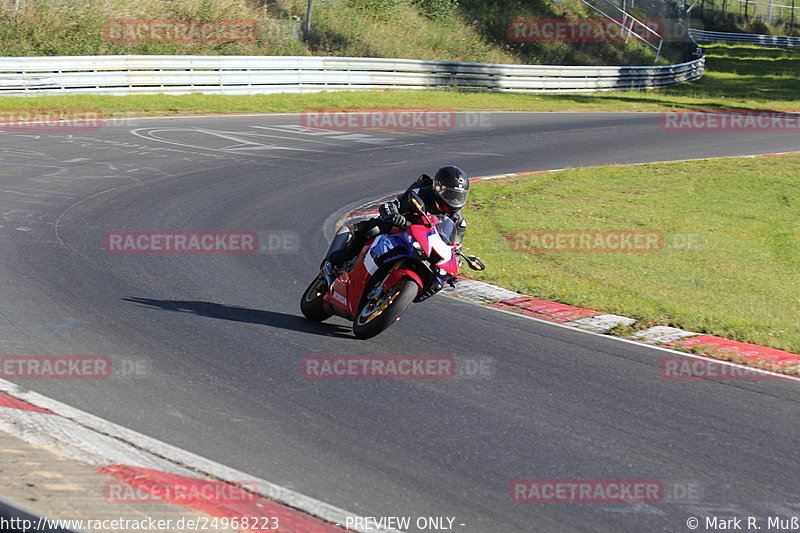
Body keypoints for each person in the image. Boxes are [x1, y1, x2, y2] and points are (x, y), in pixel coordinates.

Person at [322, 166, 470, 287]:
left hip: (424, 243)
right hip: (400, 227)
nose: (455, 200)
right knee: (371, 229)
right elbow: (391, 205)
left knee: (437, 279)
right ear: (438, 187)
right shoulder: (421, 193)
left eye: (459, 195)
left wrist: (453, 265)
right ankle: (335, 263)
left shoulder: (458, 220)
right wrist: (394, 215)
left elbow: (454, 247)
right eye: (451, 194)